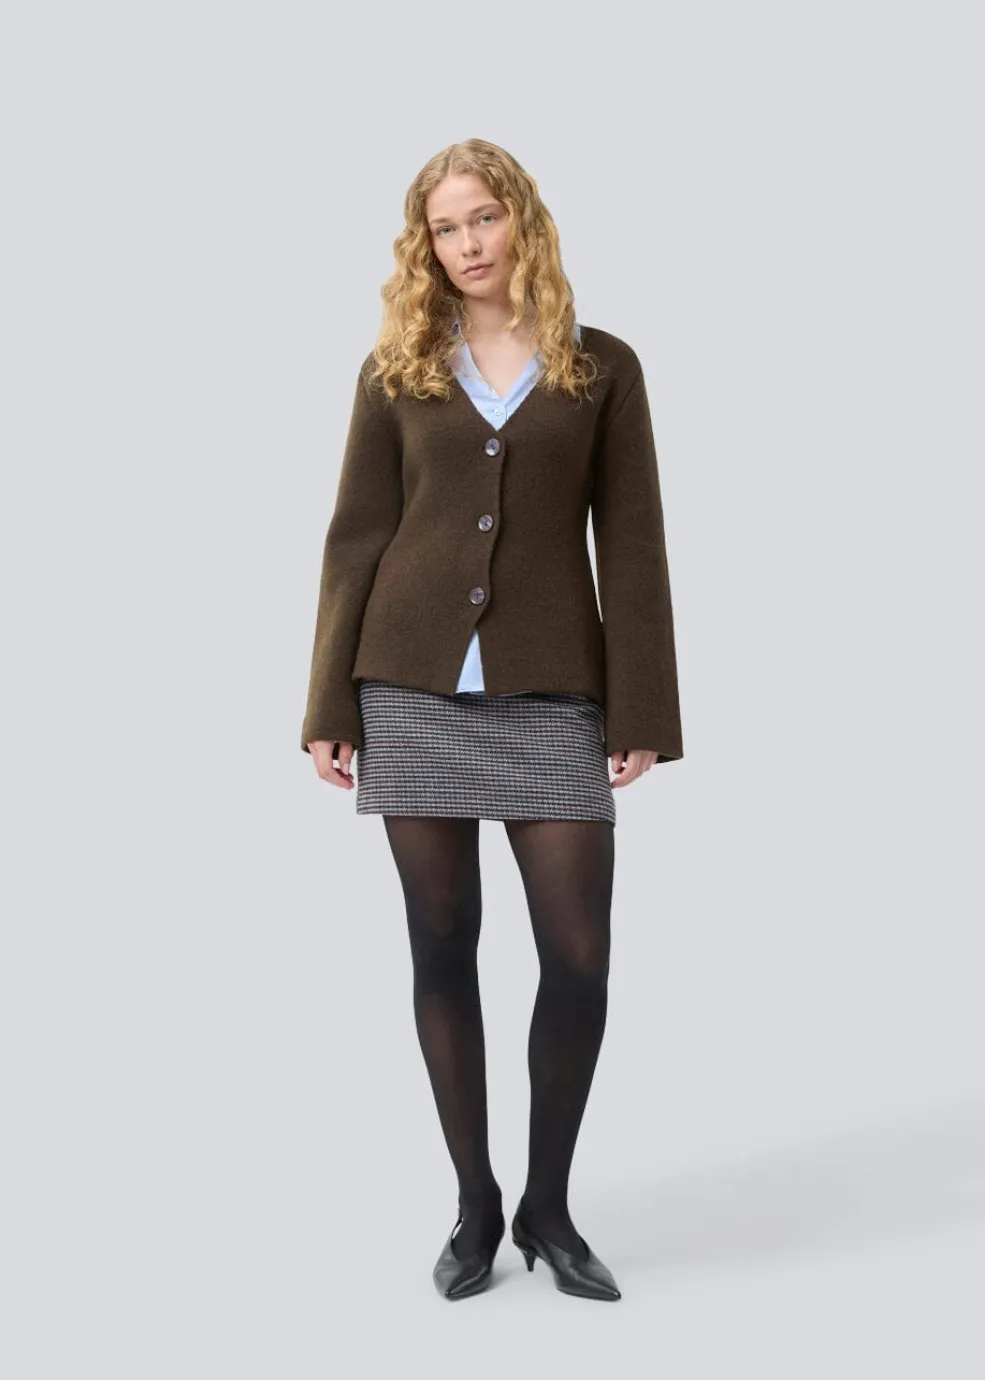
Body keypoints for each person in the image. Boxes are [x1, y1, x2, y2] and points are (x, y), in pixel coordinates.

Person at [300, 138, 684, 1301]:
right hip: (408, 689)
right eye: (444, 227)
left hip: (552, 690)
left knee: (579, 957)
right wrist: (327, 702)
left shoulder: (600, 367)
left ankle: (546, 1206)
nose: (467, 244)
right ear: (424, 245)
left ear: (522, 220)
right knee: (441, 942)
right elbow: (356, 538)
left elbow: (633, 543)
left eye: (483, 218)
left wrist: (641, 706)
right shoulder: (396, 370)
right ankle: (473, 1204)